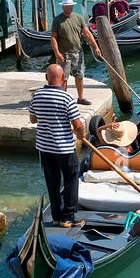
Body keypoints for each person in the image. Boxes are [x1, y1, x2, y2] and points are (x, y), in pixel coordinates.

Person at [29, 63, 86, 226]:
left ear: (47, 78)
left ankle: (56, 217)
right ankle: (68, 217)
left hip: (45, 148)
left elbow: (33, 119)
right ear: (63, 79)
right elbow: (78, 125)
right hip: (64, 148)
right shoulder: (67, 98)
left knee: (52, 182)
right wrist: (81, 134)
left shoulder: (37, 95)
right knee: (71, 179)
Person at [49, 0, 102, 106]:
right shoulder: (57, 20)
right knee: (63, 78)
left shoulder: (79, 18)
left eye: (70, 5)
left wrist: (95, 46)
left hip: (78, 52)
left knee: (79, 76)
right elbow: (53, 37)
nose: (69, 7)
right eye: (67, 6)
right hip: (64, 54)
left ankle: (81, 98)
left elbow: (87, 33)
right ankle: (63, 99)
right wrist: (57, 53)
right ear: (63, 6)